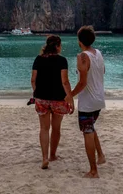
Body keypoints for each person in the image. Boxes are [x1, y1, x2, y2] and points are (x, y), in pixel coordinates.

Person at [67, 26, 106, 178]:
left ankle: (93, 170)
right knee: (91, 127)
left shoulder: (82, 56)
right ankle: (101, 156)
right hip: (99, 100)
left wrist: (70, 95)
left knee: (87, 132)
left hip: (88, 103)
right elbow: (102, 72)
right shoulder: (99, 53)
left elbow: (82, 83)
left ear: (79, 41)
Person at [31, 35, 73, 170]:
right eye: (60, 45)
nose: (61, 48)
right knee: (56, 128)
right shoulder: (62, 60)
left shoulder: (38, 59)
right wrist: (70, 97)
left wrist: (37, 93)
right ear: (57, 46)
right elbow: (65, 81)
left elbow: (33, 80)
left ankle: (44, 158)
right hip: (58, 99)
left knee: (44, 128)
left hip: (41, 98)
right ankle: (52, 155)